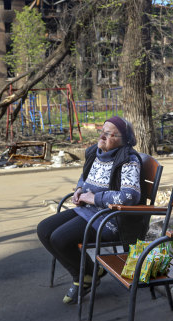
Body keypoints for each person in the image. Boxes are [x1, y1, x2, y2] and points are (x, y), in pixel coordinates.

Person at [37, 116, 143, 304]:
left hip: (108, 219)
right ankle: (89, 272)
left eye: (109, 134)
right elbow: (84, 176)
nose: (102, 137)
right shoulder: (95, 152)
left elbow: (130, 196)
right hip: (88, 211)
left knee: (59, 238)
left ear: (123, 140)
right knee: (44, 230)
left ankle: (85, 276)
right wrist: (79, 190)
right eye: (102, 131)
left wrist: (94, 198)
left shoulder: (128, 159)